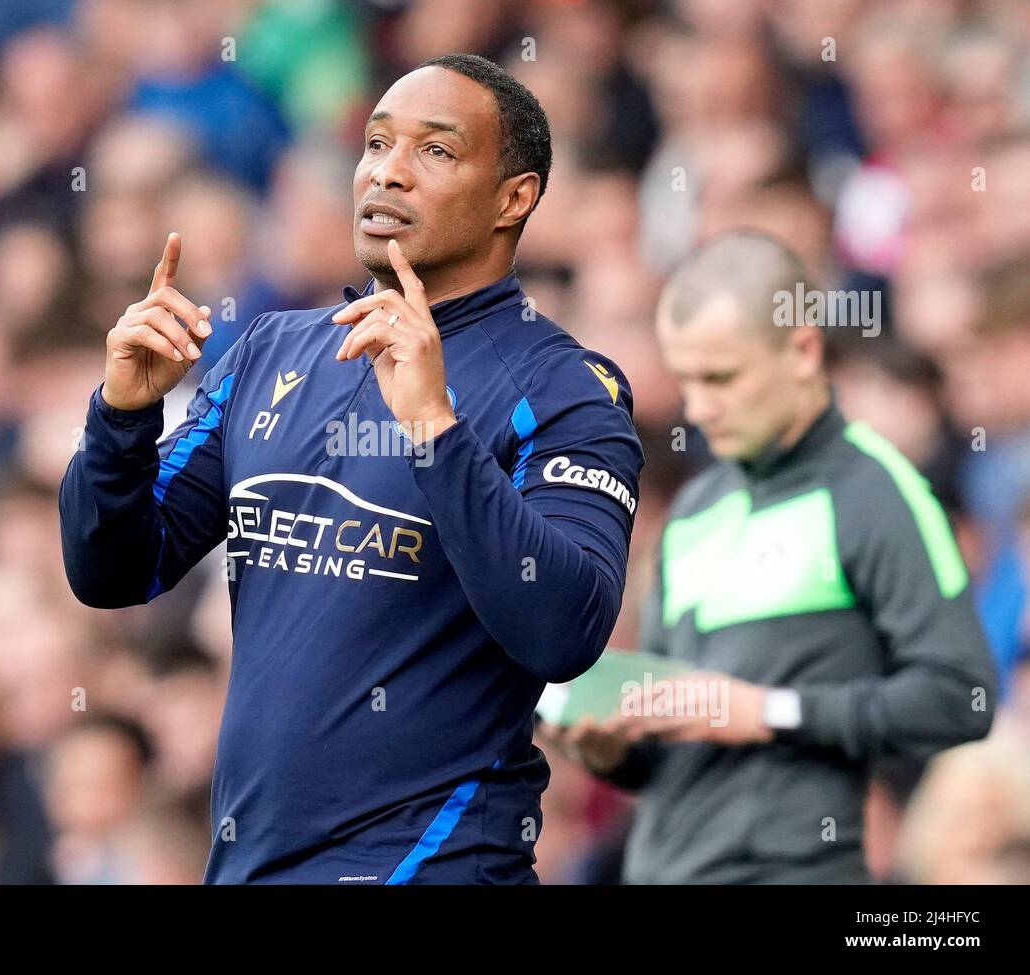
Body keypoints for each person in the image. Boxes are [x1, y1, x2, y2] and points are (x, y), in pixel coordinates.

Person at [59, 53, 643, 884]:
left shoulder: (565, 389)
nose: (387, 172)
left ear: (515, 197)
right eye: (376, 144)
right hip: (250, 863)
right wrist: (121, 417)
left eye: (435, 151)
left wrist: (437, 431)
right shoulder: (270, 349)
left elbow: (566, 629)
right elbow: (113, 570)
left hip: (433, 863)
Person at [541, 231, 997, 883]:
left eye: (721, 377)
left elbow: (964, 696)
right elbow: (680, 744)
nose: (698, 408)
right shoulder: (694, 510)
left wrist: (769, 711)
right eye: (686, 380)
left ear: (803, 349)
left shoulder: (876, 491)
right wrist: (613, 749)